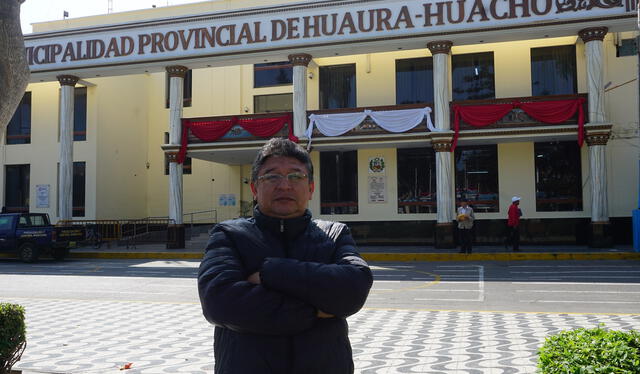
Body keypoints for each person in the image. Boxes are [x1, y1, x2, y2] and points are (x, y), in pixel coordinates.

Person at [198, 138, 373, 374]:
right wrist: (315, 311)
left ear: (311, 188)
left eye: (296, 176)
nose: (284, 186)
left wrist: (270, 272)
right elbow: (219, 302)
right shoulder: (230, 235)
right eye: (272, 176)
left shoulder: (334, 234)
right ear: (254, 188)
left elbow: (353, 288)